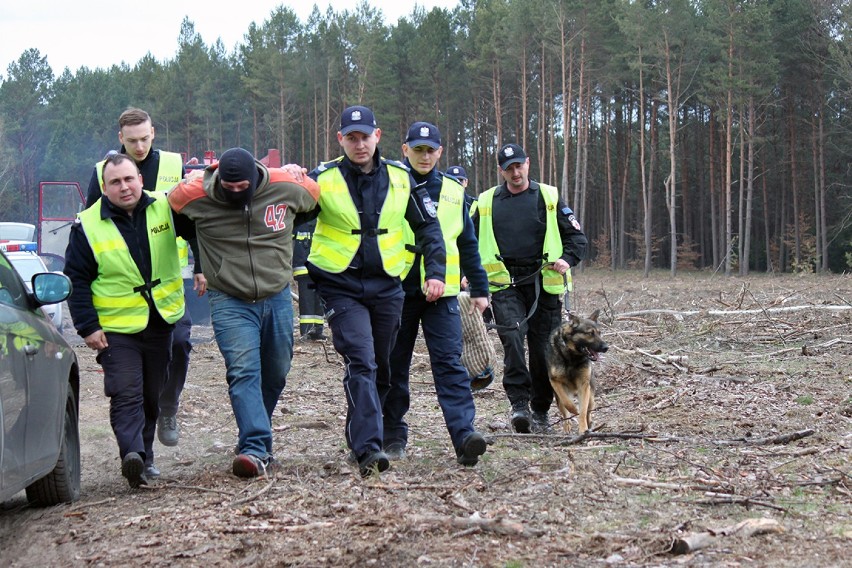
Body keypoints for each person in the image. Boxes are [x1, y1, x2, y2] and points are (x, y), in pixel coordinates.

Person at [305, 106, 446, 478]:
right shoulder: (323, 177)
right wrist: (288, 180)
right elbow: (292, 212)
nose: (359, 144)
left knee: (382, 366)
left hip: (388, 285)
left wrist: (435, 272)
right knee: (362, 361)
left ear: (377, 136)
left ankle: (362, 435)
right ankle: (368, 447)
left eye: (364, 136)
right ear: (340, 140)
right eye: (351, 138)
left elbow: (429, 228)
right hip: (341, 285)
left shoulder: (402, 177)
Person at [168, 148, 319, 478]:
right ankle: (254, 447)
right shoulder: (193, 196)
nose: (236, 193)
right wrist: (200, 259)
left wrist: (300, 171)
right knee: (243, 370)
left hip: (276, 293)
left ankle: (255, 437)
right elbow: (174, 217)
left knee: (276, 371)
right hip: (229, 297)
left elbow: (314, 202)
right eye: (229, 187)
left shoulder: (287, 187)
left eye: (243, 187)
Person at [64, 153, 196, 488]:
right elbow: (76, 279)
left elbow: (200, 227)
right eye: (115, 183)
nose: (124, 187)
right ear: (104, 189)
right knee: (126, 391)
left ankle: (145, 457)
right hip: (115, 329)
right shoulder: (87, 225)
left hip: (160, 320)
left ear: (139, 178)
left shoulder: (166, 207)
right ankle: (132, 455)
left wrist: (204, 267)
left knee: (152, 394)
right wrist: (87, 326)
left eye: (129, 179)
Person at [87, 108, 205, 451]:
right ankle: (140, 431)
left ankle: (169, 405)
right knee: (135, 362)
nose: (139, 147)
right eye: (132, 141)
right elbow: (91, 227)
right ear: (120, 138)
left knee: (180, 343)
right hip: (123, 283)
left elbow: (189, 216)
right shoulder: (101, 172)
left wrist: (200, 263)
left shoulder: (172, 164)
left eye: (145, 139)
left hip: (169, 274)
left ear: (153, 133)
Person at [380, 122, 489, 466]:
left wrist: (481, 288)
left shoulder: (455, 193)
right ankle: (393, 434)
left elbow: (467, 243)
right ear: (405, 149)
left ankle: (464, 435)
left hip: (443, 295)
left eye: (431, 150)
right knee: (394, 365)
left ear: (440, 152)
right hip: (397, 290)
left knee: (449, 363)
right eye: (418, 149)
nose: (424, 156)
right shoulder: (389, 183)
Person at [474, 143, 587, 434]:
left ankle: (540, 410)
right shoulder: (486, 202)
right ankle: (519, 405)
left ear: (528, 164)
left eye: (519, 165)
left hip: (543, 283)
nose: (515, 172)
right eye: (509, 167)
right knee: (512, 336)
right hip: (504, 282)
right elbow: (467, 242)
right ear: (501, 170)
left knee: (540, 349)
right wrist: (466, 274)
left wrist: (566, 259)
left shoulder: (548, 196)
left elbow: (577, 238)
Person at [292, 218, 326, 340]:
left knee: (319, 301)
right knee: (307, 302)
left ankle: (317, 331)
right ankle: (306, 332)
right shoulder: (298, 221)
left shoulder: (322, 222)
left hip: (319, 270)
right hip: (304, 270)